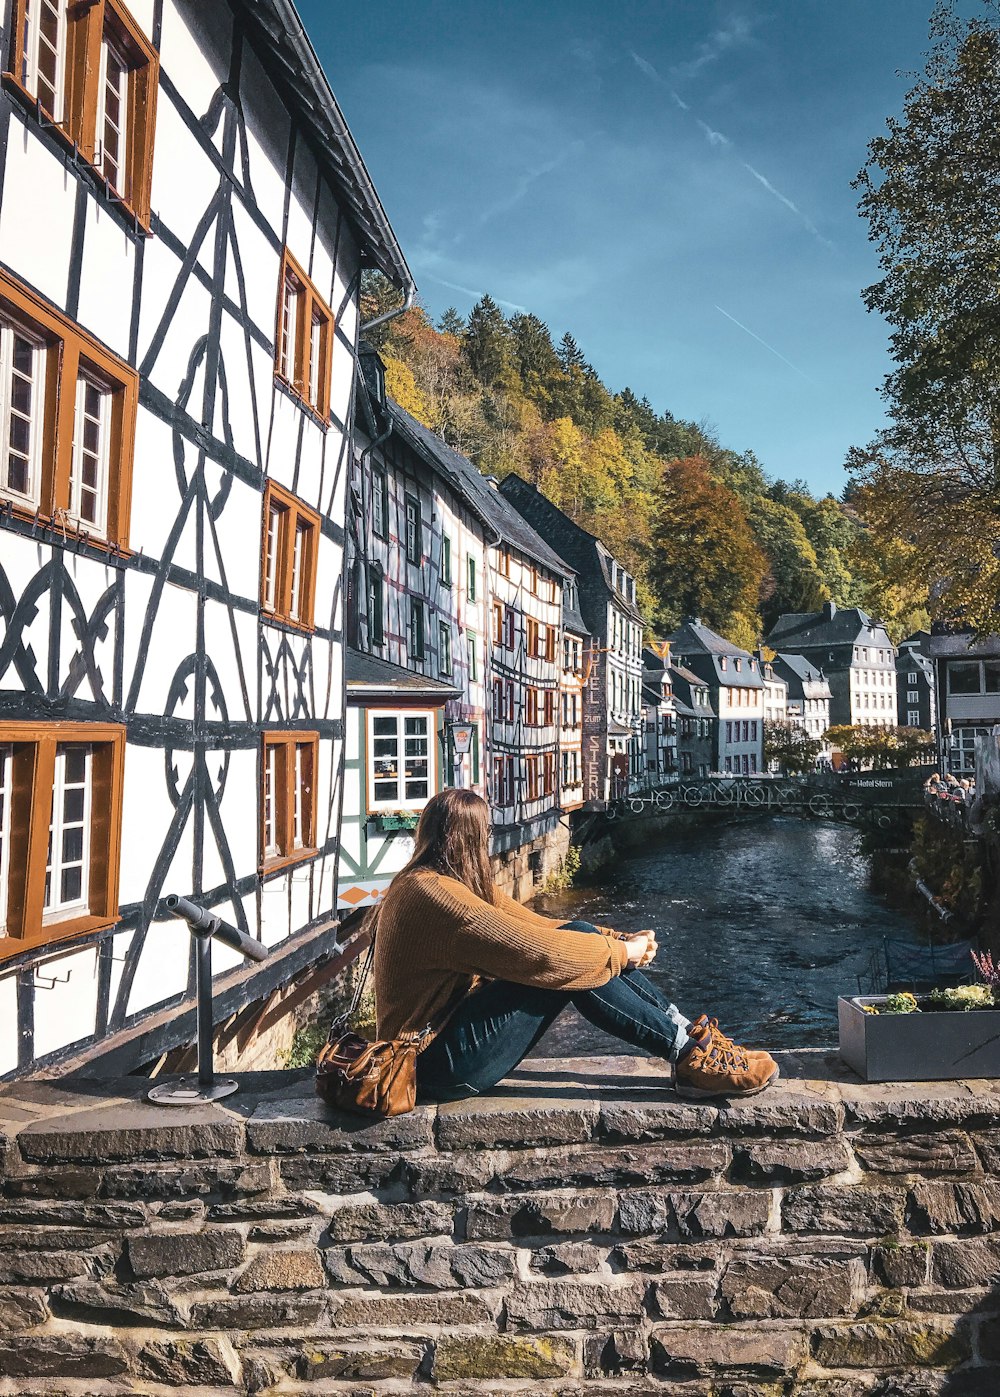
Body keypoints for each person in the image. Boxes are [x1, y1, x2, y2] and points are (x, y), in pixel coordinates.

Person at [373, 788, 778, 1103]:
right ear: (475, 839)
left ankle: (691, 1040)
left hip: (443, 1046)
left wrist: (618, 940)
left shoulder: (443, 883)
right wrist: (620, 955)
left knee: (581, 938)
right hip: (430, 1065)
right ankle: (690, 1058)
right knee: (571, 965)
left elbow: (543, 924)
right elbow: (543, 953)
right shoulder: (434, 896)